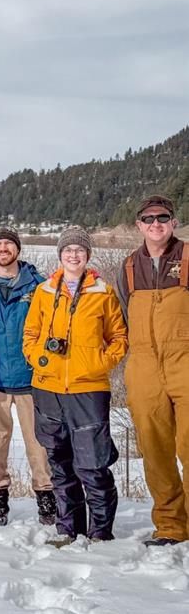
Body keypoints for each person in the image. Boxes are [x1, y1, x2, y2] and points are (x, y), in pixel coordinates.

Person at [23, 227, 127, 547]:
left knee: (92, 463)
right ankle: (68, 528)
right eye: (68, 250)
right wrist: (41, 359)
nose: (73, 255)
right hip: (48, 387)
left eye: (79, 250)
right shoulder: (43, 291)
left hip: (89, 388)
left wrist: (96, 364)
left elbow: (119, 338)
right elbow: (30, 337)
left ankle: (99, 532)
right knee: (59, 460)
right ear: (60, 254)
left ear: (87, 256)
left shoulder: (102, 291)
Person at [116, 195, 189, 546]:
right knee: (155, 450)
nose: (156, 224)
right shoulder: (129, 267)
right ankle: (171, 527)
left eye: (163, 217)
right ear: (139, 225)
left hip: (185, 362)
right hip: (144, 365)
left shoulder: (188, 258)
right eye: (149, 218)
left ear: (174, 222)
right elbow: (123, 318)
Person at [0, 227, 56, 526]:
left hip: (31, 378)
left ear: (18, 249)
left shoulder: (38, 285)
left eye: (8, 243)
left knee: (39, 444)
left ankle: (47, 501)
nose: (2, 248)